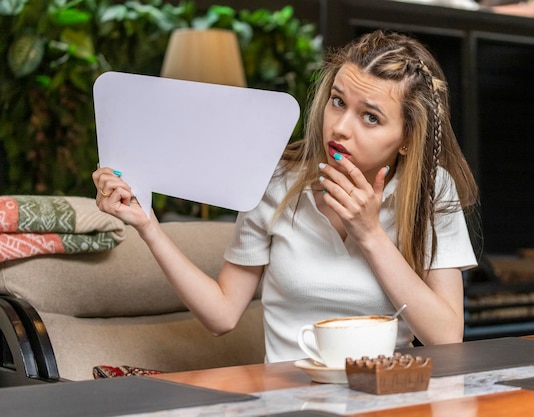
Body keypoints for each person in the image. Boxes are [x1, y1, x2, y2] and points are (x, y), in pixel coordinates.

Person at [93, 30, 479, 362]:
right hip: (287, 401)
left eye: (371, 117)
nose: (340, 127)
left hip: (385, 398)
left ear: (408, 140)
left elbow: (446, 338)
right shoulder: (275, 180)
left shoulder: (432, 191)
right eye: (338, 101)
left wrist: (371, 235)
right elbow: (222, 315)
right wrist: (149, 226)